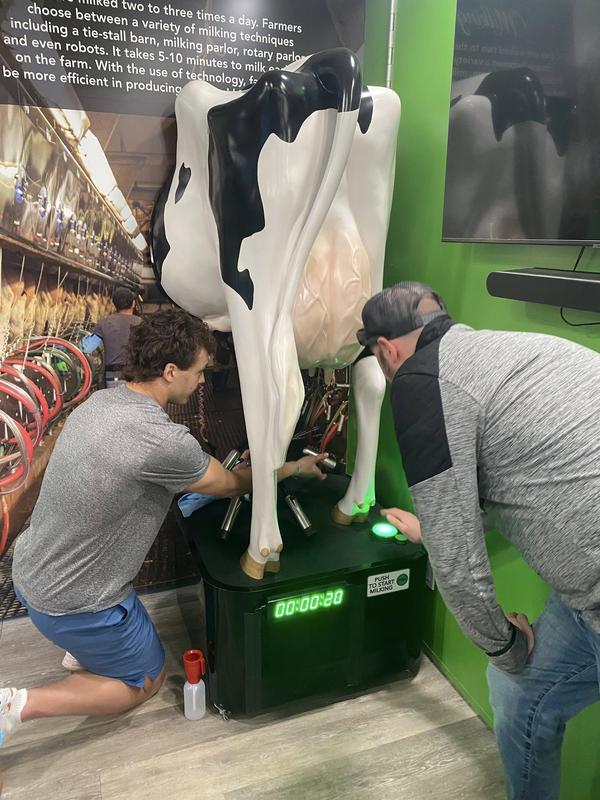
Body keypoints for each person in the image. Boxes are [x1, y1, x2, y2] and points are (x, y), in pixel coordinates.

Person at [0, 309, 327, 748]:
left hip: (30, 570)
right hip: (74, 601)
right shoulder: (164, 441)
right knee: (148, 680)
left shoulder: (100, 402)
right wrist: (291, 469)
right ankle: (16, 707)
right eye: (198, 373)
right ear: (170, 371)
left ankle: (86, 649)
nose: (201, 383)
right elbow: (231, 484)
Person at [357, 281, 600, 800]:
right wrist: (436, 528)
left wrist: (505, 646)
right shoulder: (502, 351)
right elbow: (526, 474)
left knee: (512, 670)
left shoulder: (419, 380)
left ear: (385, 349)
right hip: (586, 597)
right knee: (520, 692)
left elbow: (456, 559)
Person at [93, 286, 141, 387]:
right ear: (133, 303)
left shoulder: (104, 323)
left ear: (114, 305)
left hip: (113, 378)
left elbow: (87, 347)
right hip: (137, 378)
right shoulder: (142, 323)